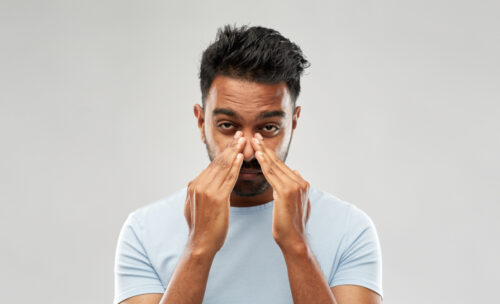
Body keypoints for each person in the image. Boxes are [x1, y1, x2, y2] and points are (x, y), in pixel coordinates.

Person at [113, 24, 383, 304]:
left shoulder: (350, 229)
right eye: (228, 126)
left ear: (293, 122)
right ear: (200, 121)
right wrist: (199, 247)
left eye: (268, 128)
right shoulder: (144, 231)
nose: (249, 150)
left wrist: (297, 246)